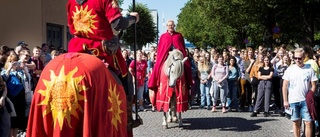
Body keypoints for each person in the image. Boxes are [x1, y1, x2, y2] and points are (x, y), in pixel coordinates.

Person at [27, 0, 140, 136]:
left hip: (76, 48)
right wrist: (133, 18)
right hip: (102, 51)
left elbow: (71, 27)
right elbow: (118, 23)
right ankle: (127, 121)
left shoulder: (71, 2)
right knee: (126, 78)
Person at [148, 20, 192, 112]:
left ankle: (188, 85)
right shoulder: (163, 37)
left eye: (172, 25)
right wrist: (167, 52)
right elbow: (161, 50)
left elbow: (182, 48)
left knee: (187, 68)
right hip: (166, 57)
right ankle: (155, 83)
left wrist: (176, 52)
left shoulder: (179, 36)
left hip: (177, 56)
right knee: (158, 67)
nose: (170, 26)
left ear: (174, 25)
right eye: (169, 25)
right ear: (166, 26)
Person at [282, 48, 318, 137]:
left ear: (304, 57)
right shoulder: (290, 69)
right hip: (293, 100)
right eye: (295, 58)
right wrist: (285, 100)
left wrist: (310, 95)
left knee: (308, 122)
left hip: (305, 101)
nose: (297, 60)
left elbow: (314, 85)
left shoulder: (309, 69)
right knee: (295, 122)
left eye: (299, 58)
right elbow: (284, 86)